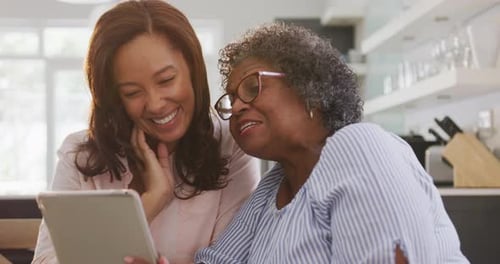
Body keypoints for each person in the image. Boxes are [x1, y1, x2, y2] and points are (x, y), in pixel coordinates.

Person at [191, 23, 470, 263]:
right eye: (231, 99)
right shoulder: (270, 188)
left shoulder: (360, 146)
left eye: (253, 88)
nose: (237, 106)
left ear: (310, 89)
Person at [31, 1, 260, 263]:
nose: (155, 104)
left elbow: (232, 258)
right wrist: (147, 206)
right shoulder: (80, 155)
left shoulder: (230, 145)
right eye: (132, 92)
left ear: (193, 70)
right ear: (115, 98)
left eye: (166, 80)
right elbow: (45, 260)